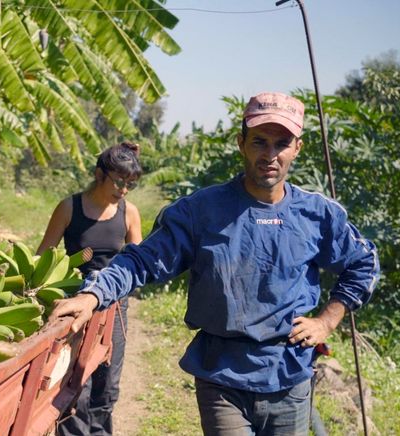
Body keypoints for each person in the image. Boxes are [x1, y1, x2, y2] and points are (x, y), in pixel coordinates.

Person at [51, 92, 379, 435]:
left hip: (289, 376)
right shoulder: (201, 211)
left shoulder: (318, 214)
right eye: (259, 142)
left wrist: (327, 321)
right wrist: (92, 296)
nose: (269, 155)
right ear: (241, 143)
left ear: (297, 147)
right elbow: (141, 259)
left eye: (281, 143)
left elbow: (363, 263)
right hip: (221, 376)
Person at [37, 141, 143, 436]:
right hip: (73, 305)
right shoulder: (69, 208)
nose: (123, 189)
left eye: (130, 184)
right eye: (119, 181)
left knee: (107, 382)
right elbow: (43, 256)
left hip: (113, 307)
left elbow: (138, 261)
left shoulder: (129, 213)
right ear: (99, 174)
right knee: (72, 380)